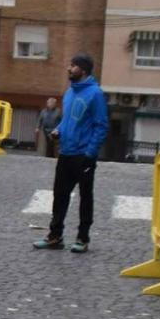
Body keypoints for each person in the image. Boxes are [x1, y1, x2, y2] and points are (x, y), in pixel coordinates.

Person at [33, 53, 108, 253]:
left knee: (85, 197)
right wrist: (59, 131)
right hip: (65, 152)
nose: (69, 68)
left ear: (82, 70)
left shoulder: (95, 94)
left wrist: (90, 153)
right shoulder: (69, 92)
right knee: (60, 196)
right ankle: (55, 236)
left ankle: (83, 238)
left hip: (83, 155)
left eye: (73, 65)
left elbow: (101, 126)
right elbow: (68, 121)